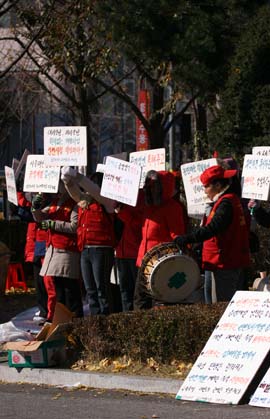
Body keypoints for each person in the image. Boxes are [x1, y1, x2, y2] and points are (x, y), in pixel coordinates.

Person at [174, 164, 251, 302]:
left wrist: (187, 238)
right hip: (218, 261)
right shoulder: (227, 200)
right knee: (212, 303)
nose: (204, 191)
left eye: (206, 186)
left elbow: (213, 228)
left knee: (220, 305)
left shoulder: (226, 203)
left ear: (217, 185)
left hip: (224, 262)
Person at [60, 167, 116, 315]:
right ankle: (95, 321)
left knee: (101, 288)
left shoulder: (107, 201)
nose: (88, 190)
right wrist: (67, 181)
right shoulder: (85, 202)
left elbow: (94, 190)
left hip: (101, 249)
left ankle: (106, 319)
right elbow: (75, 193)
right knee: (90, 289)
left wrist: (77, 176)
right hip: (85, 249)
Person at [133, 170, 188, 310]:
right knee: (140, 301)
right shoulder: (147, 206)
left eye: (153, 187)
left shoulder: (172, 208)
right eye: (148, 186)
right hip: (144, 261)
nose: (148, 189)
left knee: (160, 303)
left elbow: (177, 235)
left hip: (161, 265)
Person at [31, 182, 83, 320]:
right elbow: (39, 218)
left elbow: (74, 226)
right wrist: (35, 207)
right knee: (59, 289)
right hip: (53, 249)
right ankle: (61, 320)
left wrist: (53, 224)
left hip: (67, 250)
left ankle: (75, 319)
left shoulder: (74, 203)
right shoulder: (55, 202)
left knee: (70, 289)